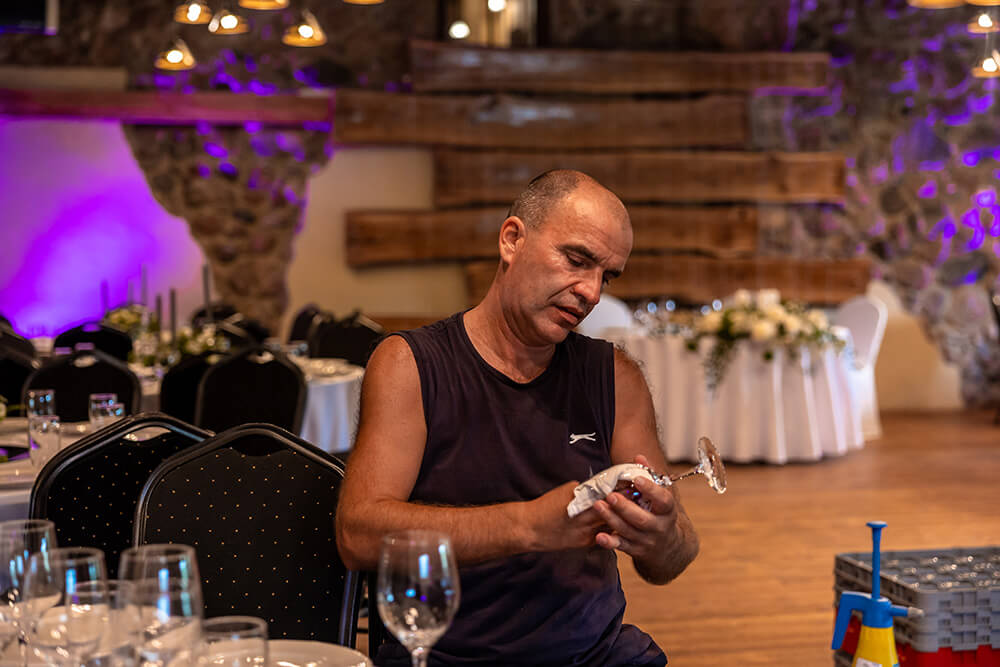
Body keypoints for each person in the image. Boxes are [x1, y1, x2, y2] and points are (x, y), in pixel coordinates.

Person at [336, 170, 700, 666]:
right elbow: (358, 535)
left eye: (608, 276)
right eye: (577, 260)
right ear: (511, 240)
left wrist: (663, 537)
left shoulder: (615, 377)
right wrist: (529, 525)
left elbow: (674, 555)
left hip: (594, 656)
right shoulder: (411, 365)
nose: (592, 292)